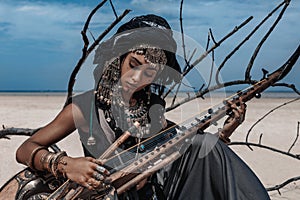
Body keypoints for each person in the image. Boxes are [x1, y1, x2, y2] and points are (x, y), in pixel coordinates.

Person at [15, 14, 270, 200]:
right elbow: (25, 149)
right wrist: (66, 164)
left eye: (150, 72)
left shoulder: (152, 107)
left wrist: (225, 132)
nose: (137, 78)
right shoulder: (84, 108)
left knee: (202, 145)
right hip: (108, 195)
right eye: (133, 64)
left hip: (158, 193)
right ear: (118, 59)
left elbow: (182, 150)